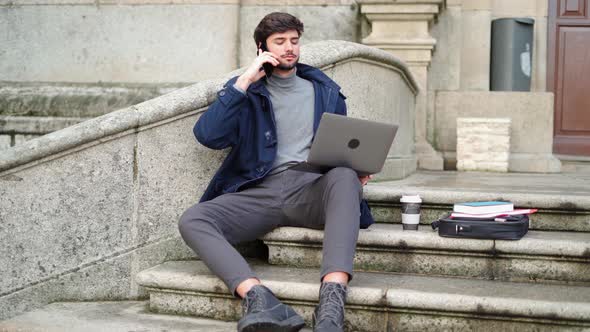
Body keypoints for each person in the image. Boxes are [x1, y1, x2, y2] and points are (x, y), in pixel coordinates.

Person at [178, 12, 375, 332]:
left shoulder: (326, 91)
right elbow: (208, 136)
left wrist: (356, 171)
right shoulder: (246, 92)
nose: (289, 48)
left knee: (343, 176)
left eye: (294, 41)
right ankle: (259, 298)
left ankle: (331, 306)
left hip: (311, 188)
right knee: (192, 219)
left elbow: (339, 148)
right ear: (262, 49)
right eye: (279, 42)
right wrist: (244, 81)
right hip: (261, 191)